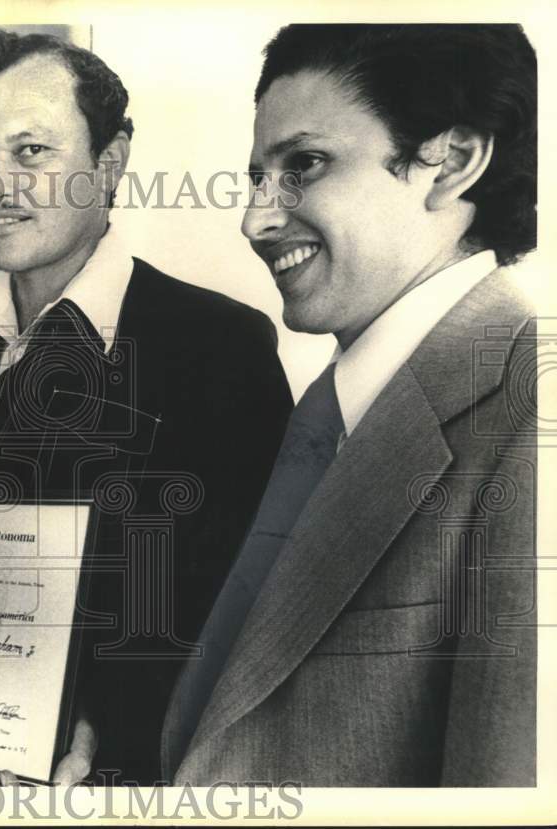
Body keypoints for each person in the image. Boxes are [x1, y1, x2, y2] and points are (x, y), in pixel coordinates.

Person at [162, 23, 538, 786]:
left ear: (453, 162)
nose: (256, 219)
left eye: (305, 163)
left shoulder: (534, 418)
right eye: (257, 177)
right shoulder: (330, 407)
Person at [0, 28, 292, 784]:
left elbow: (247, 606)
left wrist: (101, 727)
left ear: (109, 163)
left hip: (120, 778)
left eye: (32, 152)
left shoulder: (218, 344)